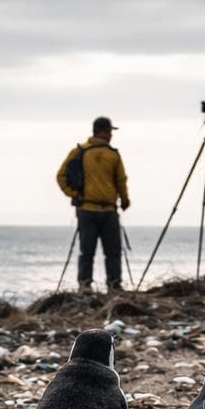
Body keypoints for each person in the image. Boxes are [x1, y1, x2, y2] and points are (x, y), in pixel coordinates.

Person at [56, 116, 130, 292]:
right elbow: (121, 181)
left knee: (86, 251)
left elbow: (61, 177)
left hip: (86, 209)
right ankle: (114, 285)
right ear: (103, 132)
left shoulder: (79, 151)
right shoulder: (113, 154)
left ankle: (85, 285)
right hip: (108, 210)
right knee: (113, 252)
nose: (111, 135)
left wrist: (74, 194)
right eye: (110, 131)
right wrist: (125, 200)